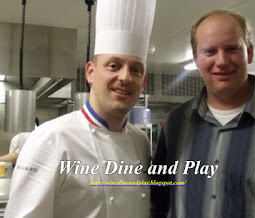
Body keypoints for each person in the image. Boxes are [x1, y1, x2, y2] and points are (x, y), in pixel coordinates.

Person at [151, 10, 255, 217]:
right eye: (210, 51)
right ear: (196, 58)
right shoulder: (176, 124)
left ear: (248, 52)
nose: (221, 61)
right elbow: (159, 204)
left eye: (232, 49)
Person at [5, 0, 156, 217]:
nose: (125, 77)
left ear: (143, 82)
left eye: (136, 70)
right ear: (90, 72)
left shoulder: (140, 142)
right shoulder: (50, 139)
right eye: (114, 65)